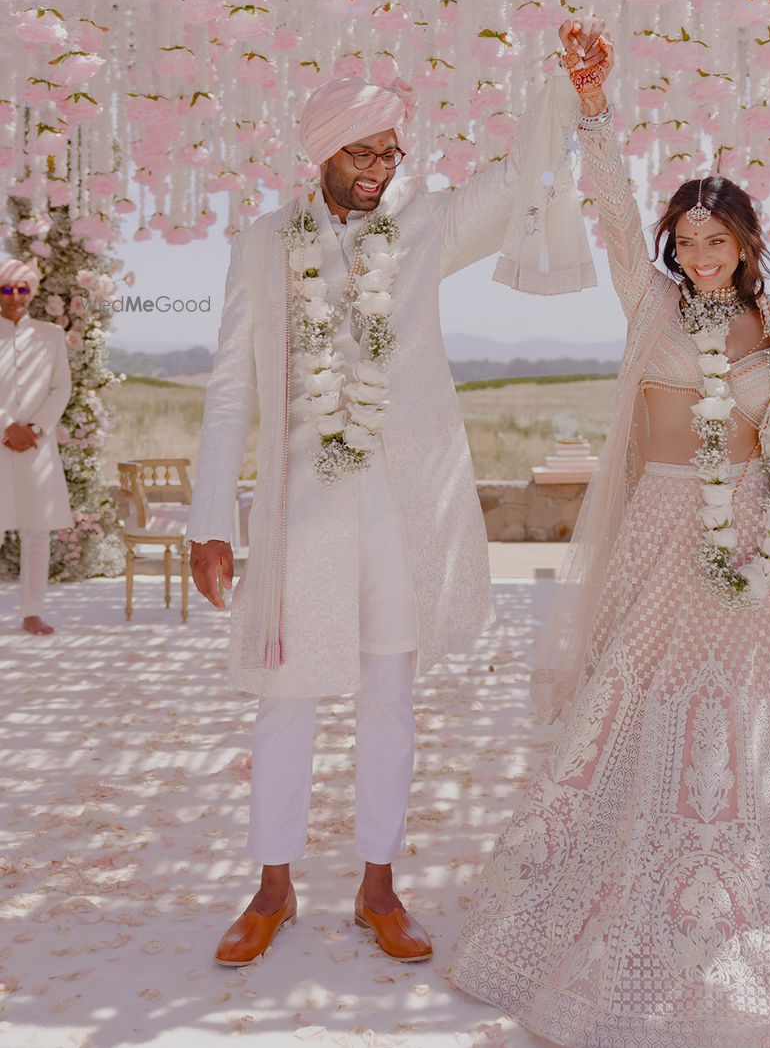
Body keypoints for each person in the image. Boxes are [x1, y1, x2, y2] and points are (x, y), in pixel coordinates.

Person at [450, 21, 770, 1047]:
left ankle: (756, 863)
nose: (697, 256)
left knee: (759, 707)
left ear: (745, 244)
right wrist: (594, 107)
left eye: (715, 240)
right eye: (683, 241)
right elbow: (605, 208)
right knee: (641, 694)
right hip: (661, 529)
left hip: (758, 534)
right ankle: (629, 869)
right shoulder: (649, 305)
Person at [186, 70, 595, 968]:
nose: (377, 168)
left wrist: (563, 94)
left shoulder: (422, 225)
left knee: (390, 703)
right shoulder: (261, 244)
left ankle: (379, 885)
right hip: (302, 517)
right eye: (360, 152)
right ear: (318, 152)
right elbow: (228, 389)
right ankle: (272, 886)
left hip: (403, 513)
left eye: (389, 151)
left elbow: (515, 176)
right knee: (282, 701)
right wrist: (210, 518)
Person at [0, 257, 73, 636]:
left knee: (35, 532)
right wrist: (7, 427)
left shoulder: (50, 335)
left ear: (32, 292)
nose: (15, 297)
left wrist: (35, 429)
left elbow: (62, 387)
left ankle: (32, 612)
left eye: (22, 289)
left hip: (35, 448)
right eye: (7, 289)